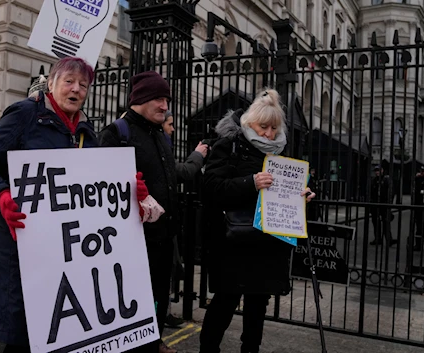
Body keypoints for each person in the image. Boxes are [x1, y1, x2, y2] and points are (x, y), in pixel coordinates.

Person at [0, 57, 151, 353]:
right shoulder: (24, 114)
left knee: (57, 328)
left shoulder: (86, 129)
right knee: (24, 330)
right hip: (19, 239)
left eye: (83, 84)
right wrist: (1, 195)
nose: (76, 89)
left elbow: (91, 188)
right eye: (69, 81)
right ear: (51, 83)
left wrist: (127, 190)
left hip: (64, 249)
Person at [199, 89, 315, 353]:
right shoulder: (229, 145)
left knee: (258, 304)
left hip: (267, 241)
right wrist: (249, 183)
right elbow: (211, 188)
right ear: (250, 123)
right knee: (225, 301)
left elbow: (293, 187)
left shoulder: (282, 152)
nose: (269, 134)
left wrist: (305, 195)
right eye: (263, 127)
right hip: (234, 241)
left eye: (274, 128)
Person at [100, 71, 178, 353]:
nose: (165, 106)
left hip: (163, 237)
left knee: (158, 295)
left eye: (166, 99)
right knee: (131, 298)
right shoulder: (116, 133)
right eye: (159, 98)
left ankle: (154, 340)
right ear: (141, 98)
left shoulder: (160, 135)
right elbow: (99, 189)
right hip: (131, 241)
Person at [162, 110, 207, 330]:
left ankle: (166, 312)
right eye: (169, 124)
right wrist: (198, 154)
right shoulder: (155, 148)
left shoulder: (163, 147)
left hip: (168, 219)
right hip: (158, 223)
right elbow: (184, 172)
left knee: (170, 269)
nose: (172, 129)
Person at [369, 165, 396, 246]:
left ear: (382, 170)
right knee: (376, 223)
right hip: (375, 205)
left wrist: (389, 204)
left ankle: (389, 240)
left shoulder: (386, 179)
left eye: (378, 170)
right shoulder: (374, 180)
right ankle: (378, 239)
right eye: (376, 170)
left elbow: (391, 192)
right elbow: (371, 193)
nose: (377, 172)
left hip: (384, 204)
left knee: (386, 223)